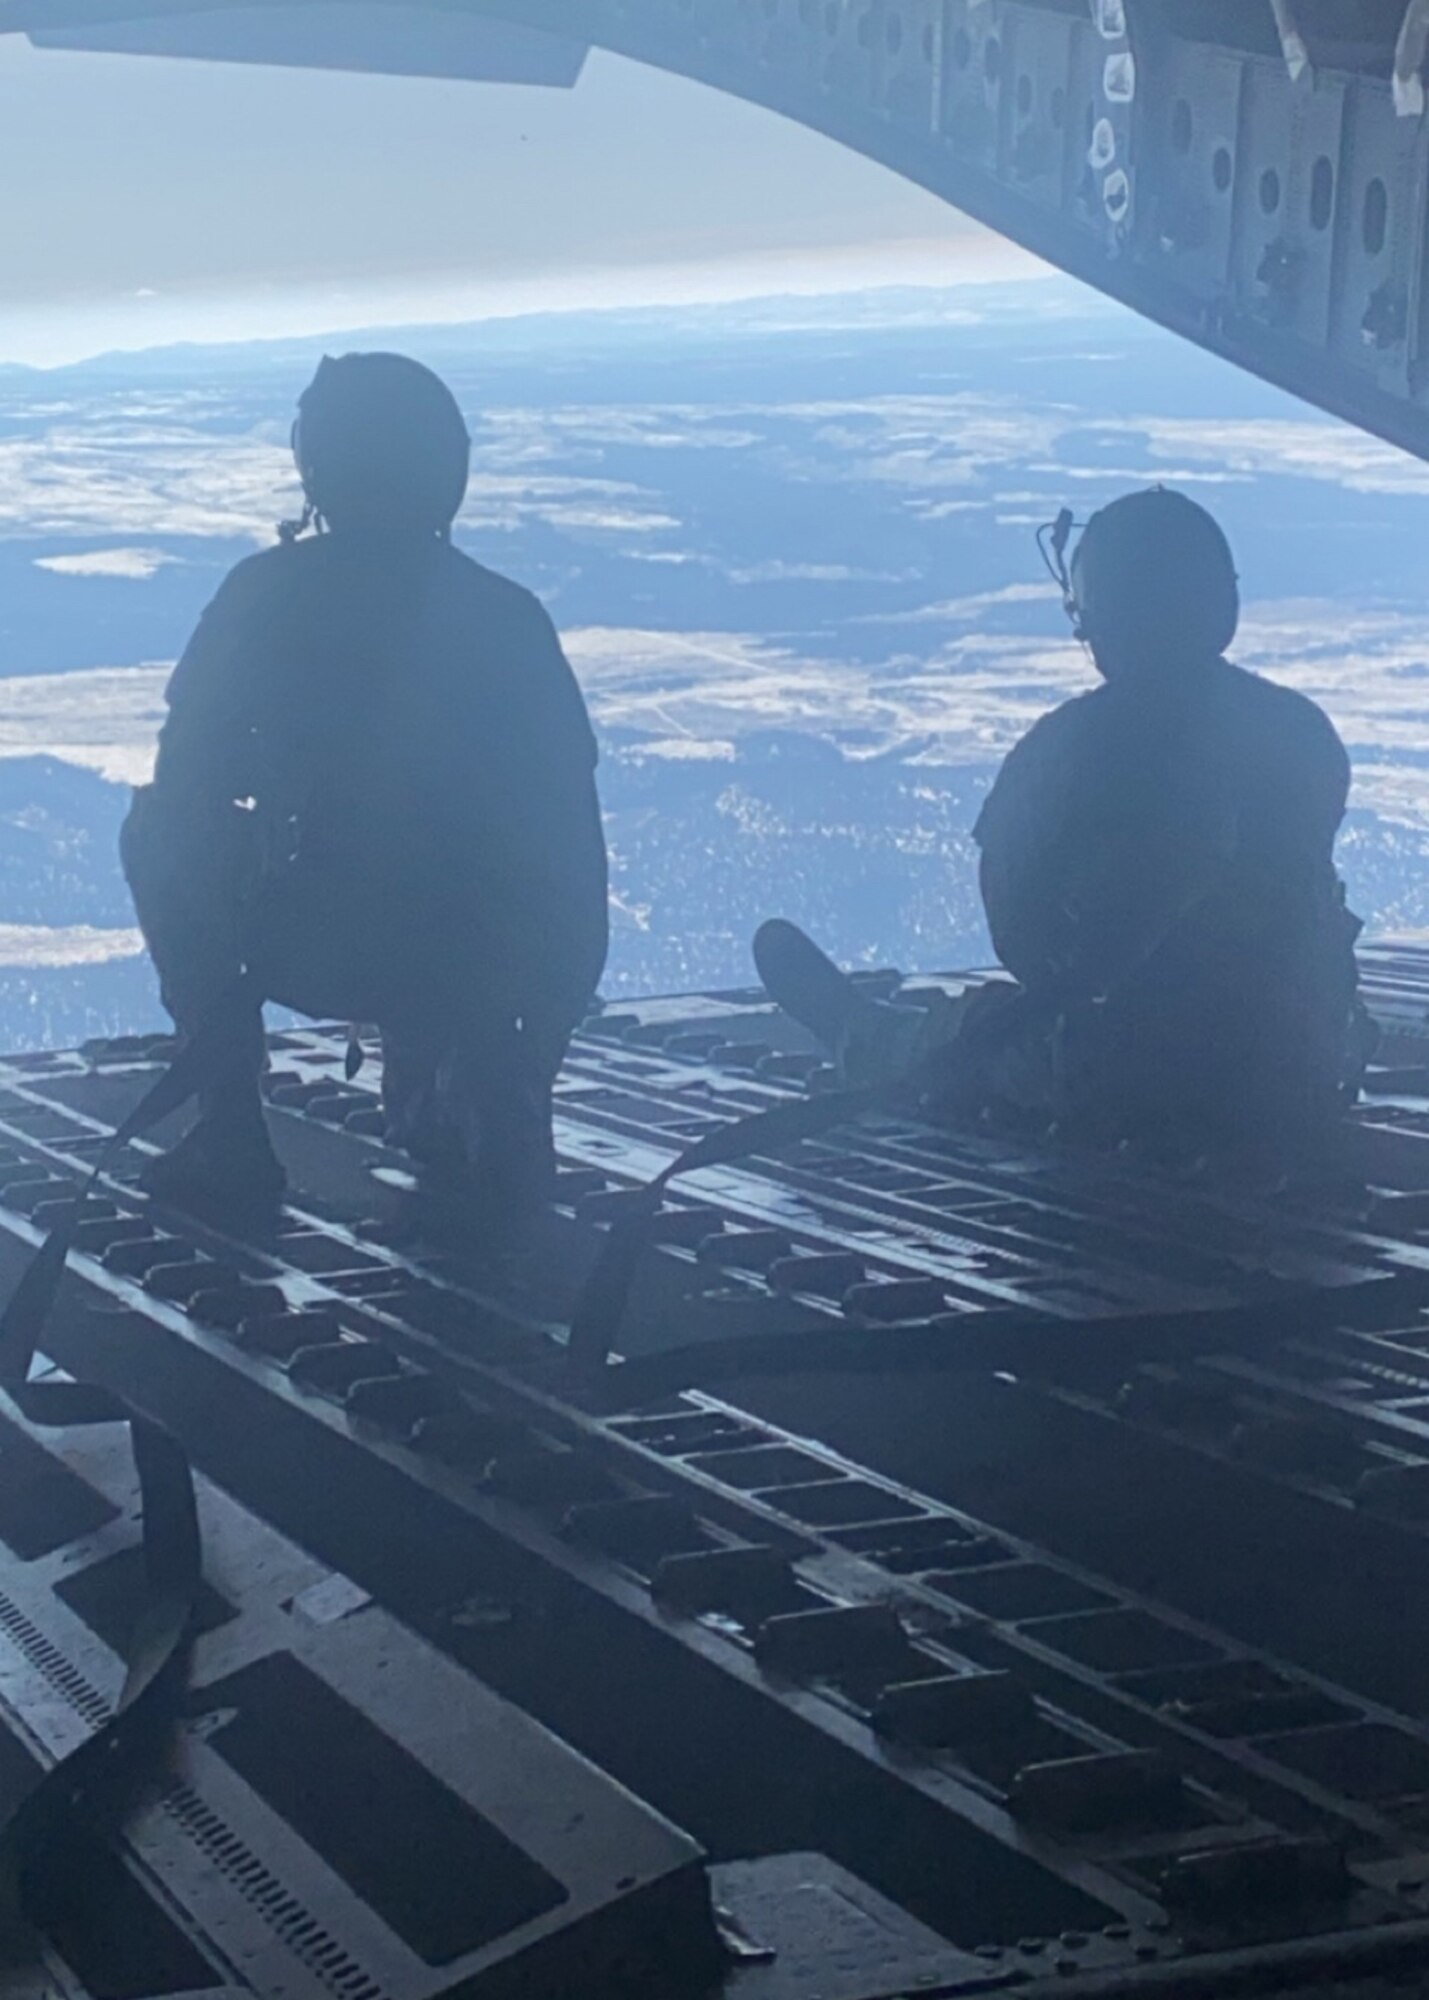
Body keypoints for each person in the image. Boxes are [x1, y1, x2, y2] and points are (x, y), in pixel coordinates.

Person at [122, 352, 608, 1216]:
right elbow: (572, 842)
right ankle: (479, 1088)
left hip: (324, 945)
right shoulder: (508, 616)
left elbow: (187, 780)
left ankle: (230, 1126)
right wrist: (538, 1048)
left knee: (154, 831)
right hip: (486, 963)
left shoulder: (265, 597)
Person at [757, 488, 1367, 1160]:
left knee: (974, 1038)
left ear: (1101, 614)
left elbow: (1020, 936)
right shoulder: (1302, 731)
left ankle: (866, 1038)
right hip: (1302, 1064)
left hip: (1137, 1079)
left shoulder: (1069, 747)